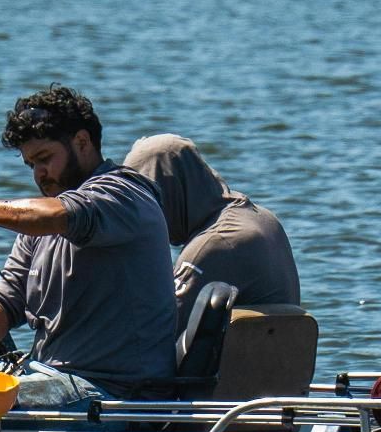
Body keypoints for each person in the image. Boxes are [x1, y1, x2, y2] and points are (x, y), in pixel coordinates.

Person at [0, 86, 177, 406]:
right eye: (31, 164)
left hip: (118, 392)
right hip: (51, 376)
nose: (39, 174)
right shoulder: (42, 219)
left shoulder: (123, 195)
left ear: (82, 142)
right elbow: (10, 296)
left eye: (45, 159)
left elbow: (63, 215)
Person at [121, 133, 301, 318]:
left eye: (143, 199)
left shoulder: (213, 244)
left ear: (167, 189)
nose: (142, 215)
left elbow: (159, 326)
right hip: (285, 338)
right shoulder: (265, 219)